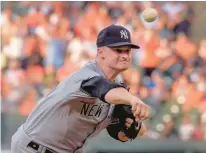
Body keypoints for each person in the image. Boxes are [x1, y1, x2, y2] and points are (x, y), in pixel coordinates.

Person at [11, 25, 149, 153]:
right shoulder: (87, 75)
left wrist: (135, 126)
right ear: (101, 52)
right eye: (118, 50)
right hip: (33, 147)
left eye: (128, 51)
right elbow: (101, 87)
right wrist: (132, 99)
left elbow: (122, 133)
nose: (125, 55)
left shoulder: (118, 91)